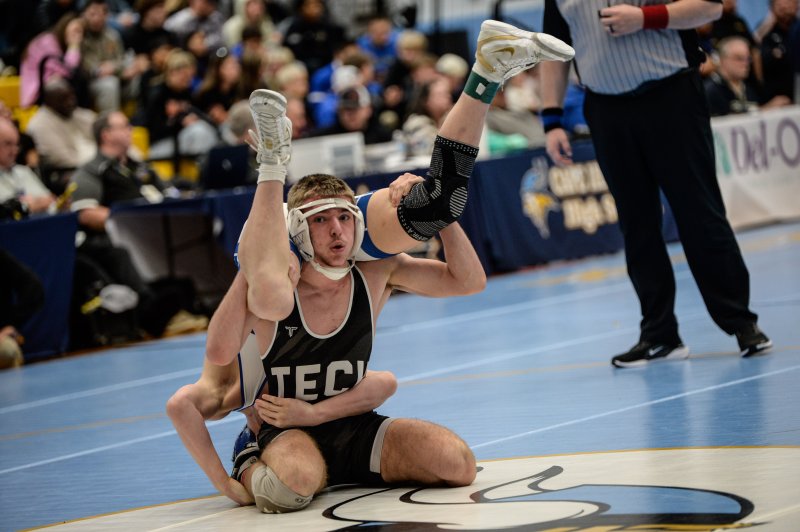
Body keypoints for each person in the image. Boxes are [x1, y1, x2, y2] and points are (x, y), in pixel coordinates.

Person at [216, 20, 574, 514]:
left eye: (346, 218)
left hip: (351, 425)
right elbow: (214, 364)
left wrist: (444, 220)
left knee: (456, 464)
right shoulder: (278, 270)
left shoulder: (372, 269)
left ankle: (487, 72)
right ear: (299, 230)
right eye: (325, 224)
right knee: (290, 487)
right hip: (288, 428)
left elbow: (467, 282)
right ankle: (273, 164)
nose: (340, 232)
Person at [540, 0, 773, 368]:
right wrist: (551, 118)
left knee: (700, 212)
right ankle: (659, 334)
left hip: (671, 95)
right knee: (637, 224)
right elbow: (554, 48)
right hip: (606, 108)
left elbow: (710, 8)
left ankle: (742, 323)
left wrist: (647, 18)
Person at [704, 35, 791, 115]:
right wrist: (766, 109)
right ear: (722, 59)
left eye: (748, 59)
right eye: (739, 58)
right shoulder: (711, 91)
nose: (745, 64)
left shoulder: (749, 89)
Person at [0, 118, 56, 217]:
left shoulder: (23, 171)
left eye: (16, 144)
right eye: (8, 144)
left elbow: (50, 200)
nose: (15, 151)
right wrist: (26, 206)